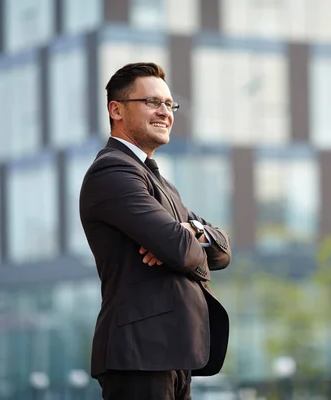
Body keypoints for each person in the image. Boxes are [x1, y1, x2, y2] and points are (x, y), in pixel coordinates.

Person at [79, 62, 232, 399]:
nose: (165, 112)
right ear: (116, 110)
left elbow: (222, 251)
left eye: (169, 104)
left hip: (173, 353)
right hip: (139, 355)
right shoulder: (112, 171)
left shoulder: (161, 183)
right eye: (151, 102)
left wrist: (189, 231)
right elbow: (180, 249)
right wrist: (182, 240)